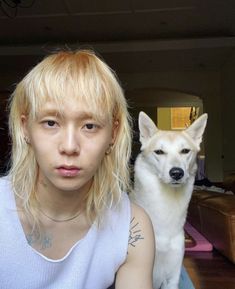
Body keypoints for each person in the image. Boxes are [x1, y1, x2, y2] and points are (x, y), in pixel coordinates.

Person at [0, 49, 155, 289]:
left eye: (90, 126)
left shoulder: (132, 227)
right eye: (51, 123)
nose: (70, 146)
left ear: (113, 134)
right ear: (25, 129)